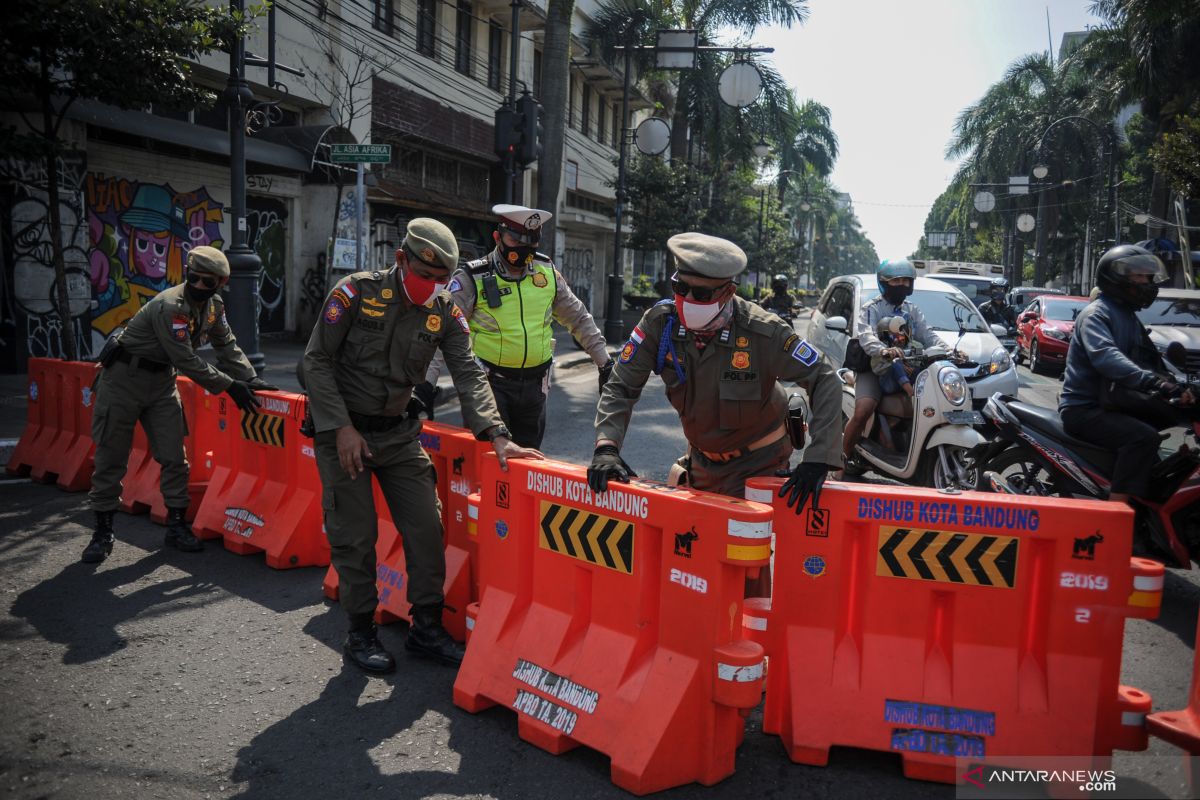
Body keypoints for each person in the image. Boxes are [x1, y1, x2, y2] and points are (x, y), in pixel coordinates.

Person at [303, 217, 542, 675]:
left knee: (427, 528)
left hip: (397, 433)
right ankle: (360, 631)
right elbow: (315, 362)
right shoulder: (354, 294)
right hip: (345, 435)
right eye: (425, 275)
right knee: (356, 536)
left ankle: (426, 627)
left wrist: (497, 435)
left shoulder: (445, 309)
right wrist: (340, 428)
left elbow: (469, 371)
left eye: (439, 279)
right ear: (400, 260)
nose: (432, 286)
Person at [589, 232, 844, 596]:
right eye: (680, 287)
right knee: (695, 561)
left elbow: (823, 377)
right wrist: (606, 446)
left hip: (758, 465)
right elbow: (621, 385)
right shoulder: (661, 324)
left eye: (701, 294)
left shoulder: (762, 331)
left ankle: (751, 640)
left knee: (746, 567)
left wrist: (819, 458)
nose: (687, 299)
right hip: (702, 463)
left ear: (727, 292)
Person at [82, 246, 268, 564]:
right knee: (111, 456)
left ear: (220, 283)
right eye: (193, 278)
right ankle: (102, 532)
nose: (198, 286)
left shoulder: (214, 308)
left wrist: (250, 380)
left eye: (207, 282)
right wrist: (229, 387)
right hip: (124, 381)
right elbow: (186, 358)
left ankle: (177, 525)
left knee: (174, 457)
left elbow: (227, 345)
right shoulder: (172, 306)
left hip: (161, 385)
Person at [421, 204, 613, 448]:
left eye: (532, 241)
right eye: (516, 238)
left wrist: (604, 362)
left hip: (535, 388)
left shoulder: (547, 274)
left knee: (529, 462)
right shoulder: (472, 278)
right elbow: (441, 334)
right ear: (497, 237)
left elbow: (578, 318)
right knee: (489, 461)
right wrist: (425, 384)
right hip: (487, 387)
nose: (524, 247)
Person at [1060, 244, 1193, 504]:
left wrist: (1179, 386)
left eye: (1148, 276)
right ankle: (1117, 514)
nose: (1147, 282)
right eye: (1139, 276)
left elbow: (1150, 360)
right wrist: (1152, 382)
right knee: (1143, 437)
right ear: (1117, 277)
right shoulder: (1096, 314)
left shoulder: (1128, 317)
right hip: (1085, 408)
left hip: (1115, 402)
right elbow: (1107, 357)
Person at [843, 259, 942, 466]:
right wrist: (883, 350)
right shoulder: (872, 308)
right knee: (863, 410)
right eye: (896, 281)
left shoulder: (912, 310)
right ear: (884, 283)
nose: (902, 285)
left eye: (906, 281)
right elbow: (866, 335)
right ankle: (840, 460)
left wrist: (948, 349)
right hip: (875, 366)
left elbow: (928, 334)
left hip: (906, 365)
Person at [870, 316, 922, 398]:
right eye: (893, 336)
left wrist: (911, 366)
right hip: (889, 384)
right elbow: (877, 369)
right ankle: (911, 393)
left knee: (921, 369)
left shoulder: (916, 345)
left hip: (909, 379)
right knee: (896, 363)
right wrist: (896, 363)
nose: (898, 339)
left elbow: (920, 359)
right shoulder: (881, 349)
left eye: (900, 335)